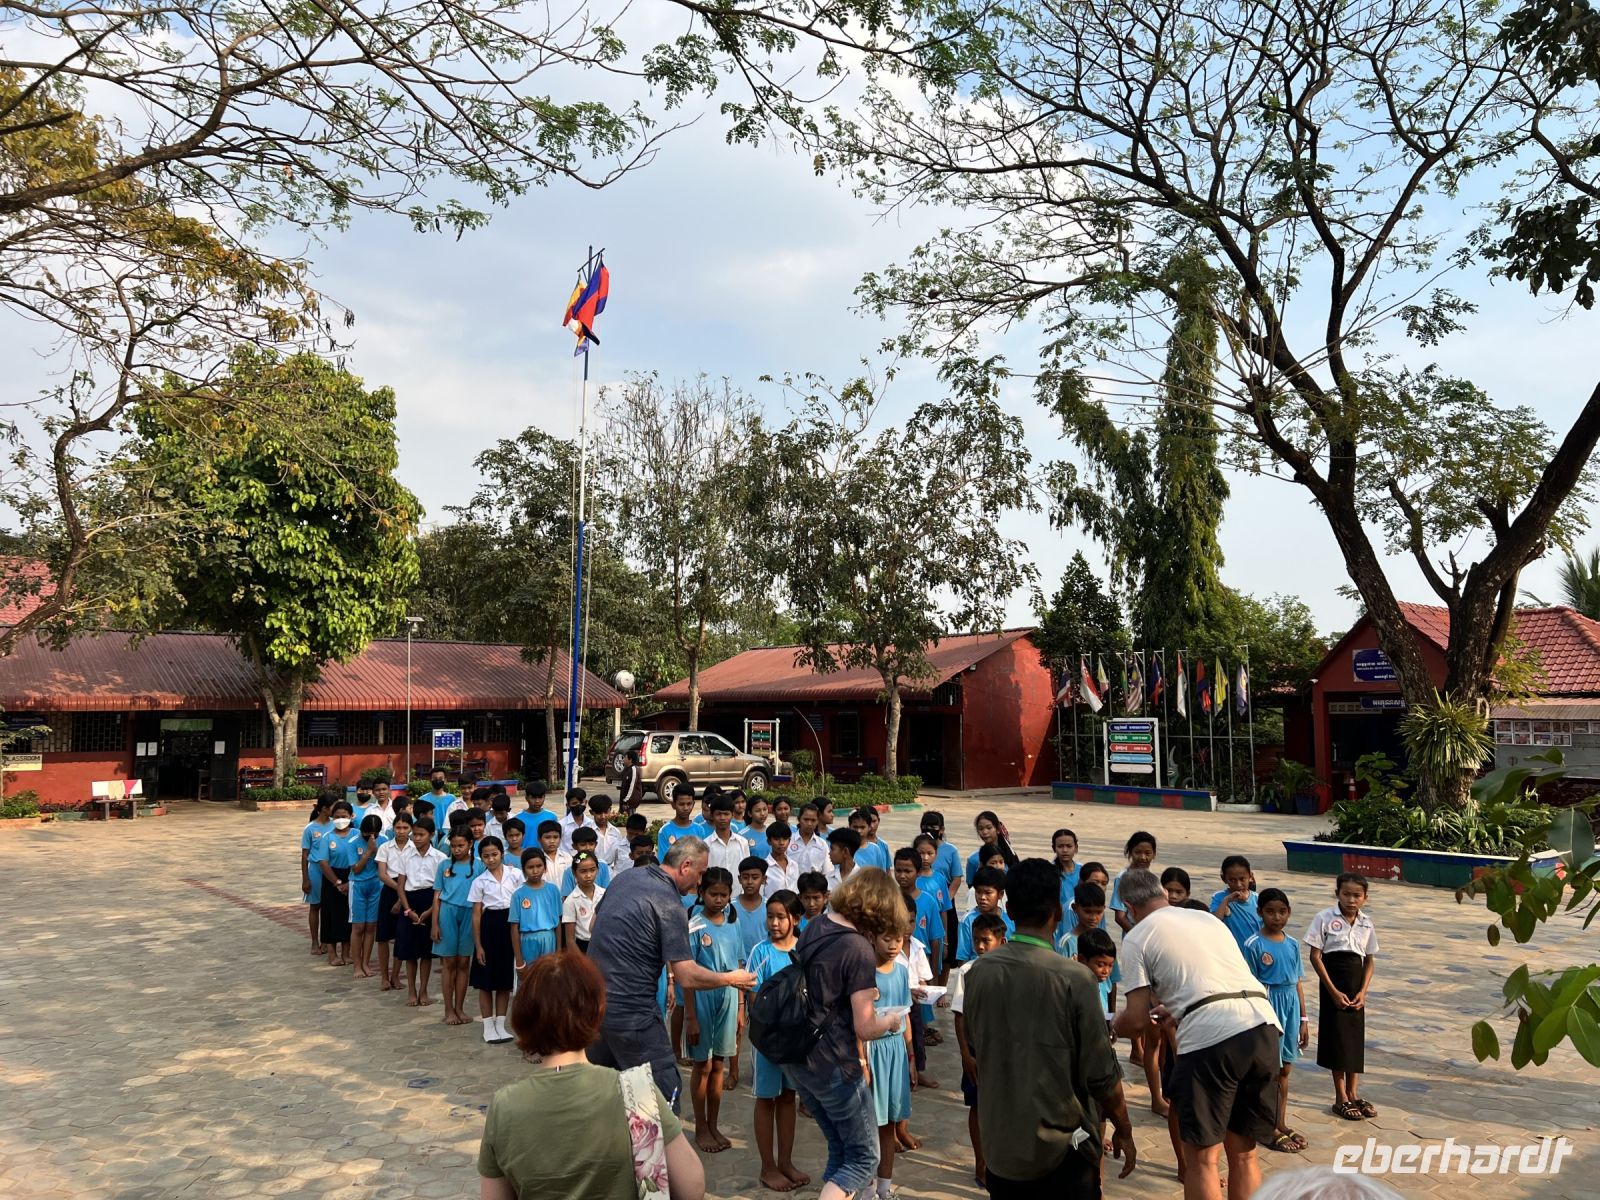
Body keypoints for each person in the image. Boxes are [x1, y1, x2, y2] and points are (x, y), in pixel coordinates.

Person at [964, 857, 1134, 1197]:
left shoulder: (979, 973)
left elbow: (976, 1045)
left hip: (1003, 1148)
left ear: (1009, 910)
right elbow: (1101, 1073)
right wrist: (1124, 1127)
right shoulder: (1074, 978)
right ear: (1057, 910)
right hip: (1062, 1150)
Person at [477, 951, 706, 1200]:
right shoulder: (636, 1092)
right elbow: (692, 1185)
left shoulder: (504, 1106)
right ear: (597, 1011)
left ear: (523, 1019)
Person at [1114, 867, 1281, 1200]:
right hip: (1262, 1027)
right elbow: (1216, 980)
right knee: (1245, 1153)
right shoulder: (1206, 920)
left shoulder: (1137, 936)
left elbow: (1134, 1020)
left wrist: (1110, 1026)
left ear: (1130, 908)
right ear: (1162, 894)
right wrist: (1179, 1006)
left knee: (1203, 1160)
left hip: (1211, 1040)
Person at [586, 837, 756, 1110]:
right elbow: (687, 976)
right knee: (663, 1098)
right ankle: (652, 1150)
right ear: (685, 865)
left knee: (599, 1091)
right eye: (700, 873)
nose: (700, 882)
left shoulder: (626, 878)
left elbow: (595, 925)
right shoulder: (669, 903)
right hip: (633, 1013)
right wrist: (730, 979)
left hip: (593, 1006)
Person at [787, 868, 909, 1200]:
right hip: (834, 1063)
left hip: (799, 1055)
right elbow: (866, 1027)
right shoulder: (857, 948)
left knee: (841, 1149)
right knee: (864, 1157)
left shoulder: (816, 926)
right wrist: (892, 1021)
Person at [748, 890, 808, 1193]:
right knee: (767, 1098)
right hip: (769, 1042)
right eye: (770, 916)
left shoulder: (804, 951)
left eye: (781, 917)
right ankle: (767, 1167)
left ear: (795, 919)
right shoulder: (761, 952)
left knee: (788, 1098)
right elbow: (753, 993)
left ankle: (785, 1161)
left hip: (796, 1043)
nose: (774, 923)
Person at [1306, 872, 1378, 1121]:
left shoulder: (1366, 923)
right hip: (1333, 983)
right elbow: (1315, 956)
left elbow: (1369, 960)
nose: (1351, 899)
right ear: (1337, 893)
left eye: (1357, 895)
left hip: (1356, 984)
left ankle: (1353, 1091)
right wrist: (1332, 991)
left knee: (1354, 1039)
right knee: (1337, 1039)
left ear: (1365, 898)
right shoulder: (1324, 918)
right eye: (1346, 894)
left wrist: (1363, 992)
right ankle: (1340, 1096)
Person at [1244, 888, 1309, 1152]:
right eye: (1270, 911)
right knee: (1267, 1070)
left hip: (1290, 1006)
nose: (1276, 917)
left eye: (1282, 911)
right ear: (1260, 913)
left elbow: (1298, 982)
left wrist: (1304, 1018)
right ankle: (1266, 1126)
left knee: (1285, 1069)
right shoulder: (1253, 945)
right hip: (1267, 1007)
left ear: (1289, 913)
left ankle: (1280, 1121)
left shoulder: (1292, 944)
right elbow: (1248, 984)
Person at [684, 867, 743, 1153]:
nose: (719, 900)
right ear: (701, 893)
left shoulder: (734, 920)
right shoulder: (695, 923)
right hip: (702, 996)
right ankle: (700, 1127)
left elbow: (739, 963)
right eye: (713, 894)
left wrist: (741, 1006)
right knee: (702, 1064)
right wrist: (691, 1016)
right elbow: (687, 974)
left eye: (724, 895)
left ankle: (714, 1123)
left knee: (719, 1063)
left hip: (730, 995)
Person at [948, 911, 1007, 1187]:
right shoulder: (967, 971)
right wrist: (965, 1055)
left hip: (1004, 1051)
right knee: (977, 1106)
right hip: (976, 1050)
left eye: (986, 941)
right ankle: (981, 1162)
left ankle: (1003, 1161)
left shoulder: (1009, 970)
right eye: (976, 941)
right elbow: (959, 1016)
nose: (980, 947)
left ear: (1001, 941)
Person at [866, 924, 915, 1200]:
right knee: (870, 1124)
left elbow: (905, 1017)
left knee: (888, 1125)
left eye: (898, 939)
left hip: (895, 1053)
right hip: (872, 1052)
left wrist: (910, 1057)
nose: (894, 945)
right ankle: (867, 1188)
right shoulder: (864, 975)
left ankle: (884, 1188)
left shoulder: (903, 972)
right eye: (887, 938)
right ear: (872, 937)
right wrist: (862, 1061)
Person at [469, 835, 518, 1043]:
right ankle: (488, 1026)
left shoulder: (515, 875)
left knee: (504, 981)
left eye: (494, 854)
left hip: (510, 926)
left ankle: (501, 1024)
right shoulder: (479, 882)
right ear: (481, 858)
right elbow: (476, 915)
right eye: (486, 856)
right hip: (489, 928)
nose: (491, 859)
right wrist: (478, 945)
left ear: (502, 853)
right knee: (486, 980)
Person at [395, 817, 444, 1007]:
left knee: (426, 952)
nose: (417, 838)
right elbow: (400, 886)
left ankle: (424, 990)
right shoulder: (405, 856)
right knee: (409, 951)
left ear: (431, 835)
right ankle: (411, 991)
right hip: (410, 901)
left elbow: (441, 889)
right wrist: (407, 910)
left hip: (431, 901)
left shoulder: (440, 858)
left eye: (421, 835)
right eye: (414, 834)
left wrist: (431, 911)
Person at [431, 830, 478, 1027]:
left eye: (461, 846)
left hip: (469, 913)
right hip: (447, 913)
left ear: (470, 844)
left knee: (463, 962)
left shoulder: (479, 865)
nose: (457, 850)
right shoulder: (444, 865)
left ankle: (460, 1007)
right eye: (454, 846)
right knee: (448, 963)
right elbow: (437, 895)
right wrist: (434, 923)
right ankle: (448, 1009)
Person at [318, 798, 369, 968]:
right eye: (337, 816)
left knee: (348, 916)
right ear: (332, 817)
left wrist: (349, 881)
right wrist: (337, 882)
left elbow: (362, 857)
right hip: (332, 877)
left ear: (351, 816)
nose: (341, 819)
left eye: (344, 816)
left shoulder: (357, 835)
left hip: (354, 876)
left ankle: (347, 952)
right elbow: (323, 862)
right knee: (330, 915)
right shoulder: (327, 837)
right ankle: (332, 953)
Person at [375, 811, 414, 990]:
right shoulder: (385, 848)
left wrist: (401, 898)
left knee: (401, 936)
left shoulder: (414, 849)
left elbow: (412, 876)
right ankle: (384, 976)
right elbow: (382, 874)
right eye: (398, 827)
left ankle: (396, 976)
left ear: (411, 829)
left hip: (406, 893)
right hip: (390, 891)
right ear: (393, 828)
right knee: (383, 936)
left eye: (405, 827)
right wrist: (398, 891)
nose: (401, 831)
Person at [511, 847, 563, 978]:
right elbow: (514, 928)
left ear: (545, 867)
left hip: (549, 938)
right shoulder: (518, 894)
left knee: (549, 981)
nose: (535, 871)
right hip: (528, 941)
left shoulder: (553, 890)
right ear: (523, 869)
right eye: (530, 867)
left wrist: (558, 952)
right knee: (529, 981)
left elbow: (558, 923)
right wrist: (519, 960)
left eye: (539, 866)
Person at [348, 813, 386, 978]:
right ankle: (357, 965)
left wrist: (376, 850)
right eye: (367, 834)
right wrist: (369, 851)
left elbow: (385, 866)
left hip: (376, 885)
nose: (371, 837)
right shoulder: (353, 842)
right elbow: (356, 869)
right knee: (358, 927)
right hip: (358, 885)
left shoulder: (383, 840)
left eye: (374, 834)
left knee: (371, 927)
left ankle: (366, 963)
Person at [956, 867, 1013, 963]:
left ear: (1001, 894)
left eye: (988, 893)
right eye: (978, 892)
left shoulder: (1010, 920)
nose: (982, 897)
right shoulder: (967, 921)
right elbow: (963, 958)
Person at [1210, 855, 1262, 949]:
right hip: (1230, 952)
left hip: (1255, 952)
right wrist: (1226, 901)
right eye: (1232, 880)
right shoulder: (1219, 897)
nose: (1238, 884)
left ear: (1250, 876)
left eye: (1242, 879)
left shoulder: (1258, 899)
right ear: (1224, 879)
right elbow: (1214, 921)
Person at [1110, 831, 1157, 933]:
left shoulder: (1152, 878)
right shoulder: (1123, 878)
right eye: (1138, 852)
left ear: (1154, 854)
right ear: (1130, 852)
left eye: (1147, 853)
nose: (1143, 857)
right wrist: (1137, 936)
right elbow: (1120, 917)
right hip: (1134, 936)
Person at [561, 851, 606, 953]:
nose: (588, 875)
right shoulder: (571, 901)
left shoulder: (604, 894)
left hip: (603, 944)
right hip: (583, 947)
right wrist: (581, 961)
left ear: (598, 870)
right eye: (583, 871)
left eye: (592, 870)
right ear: (574, 873)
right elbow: (570, 940)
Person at [964, 811, 1017, 886]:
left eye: (989, 828)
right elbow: (971, 885)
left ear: (998, 829)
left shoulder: (1010, 854)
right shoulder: (973, 860)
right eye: (981, 829)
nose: (985, 832)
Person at [705, 796, 752, 873]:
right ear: (712, 815)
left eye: (726, 814)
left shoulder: (742, 842)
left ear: (732, 815)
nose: (722, 818)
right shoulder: (706, 845)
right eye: (718, 814)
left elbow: (746, 870)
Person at [658, 786, 702, 861]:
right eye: (681, 804)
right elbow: (664, 862)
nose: (685, 808)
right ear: (673, 805)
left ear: (693, 804)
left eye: (689, 804)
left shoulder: (699, 830)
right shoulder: (664, 831)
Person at [791, 803, 830, 874]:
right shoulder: (788, 841)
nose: (809, 823)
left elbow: (828, 872)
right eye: (805, 819)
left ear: (818, 821)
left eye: (813, 820)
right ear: (799, 819)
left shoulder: (822, 844)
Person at [560, 786, 594, 852]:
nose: (578, 806)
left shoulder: (591, 824)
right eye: (574, 803)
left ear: (586, 802)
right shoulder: (561, 825)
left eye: (581, 803)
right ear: (568, 806)